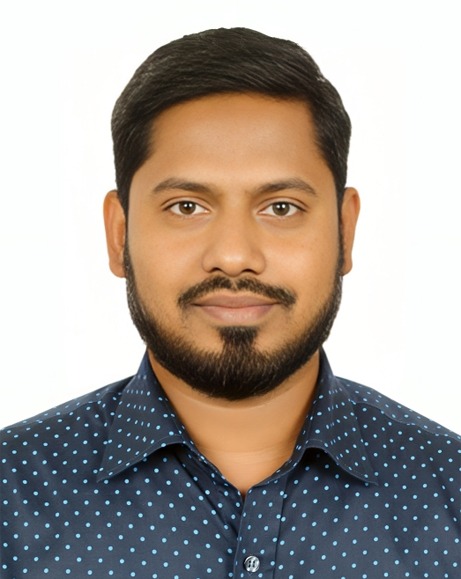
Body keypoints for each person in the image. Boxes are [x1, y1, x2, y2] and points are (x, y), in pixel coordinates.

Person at [1, 27, 459, 578]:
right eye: (187, 206)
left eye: (282, 207)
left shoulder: (449, 490)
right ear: (119, 235)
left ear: (345, 230)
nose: (235, 256)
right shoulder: (12, 497)